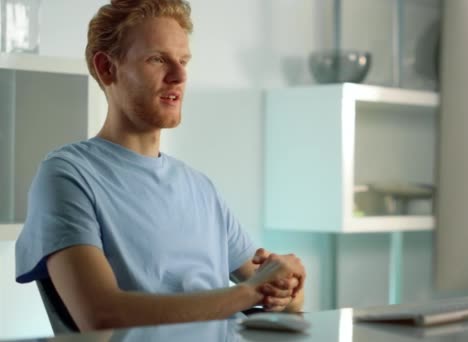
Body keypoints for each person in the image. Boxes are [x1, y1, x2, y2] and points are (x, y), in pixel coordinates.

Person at [14, 0, 305, 332]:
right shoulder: (68, 175)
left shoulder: (199, 187)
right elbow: (100, 314)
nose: (180, 76)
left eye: (183, 61)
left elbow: (272, 292)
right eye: (157, 59)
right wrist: (248, 292)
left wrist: (288, 286)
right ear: (107, 68)